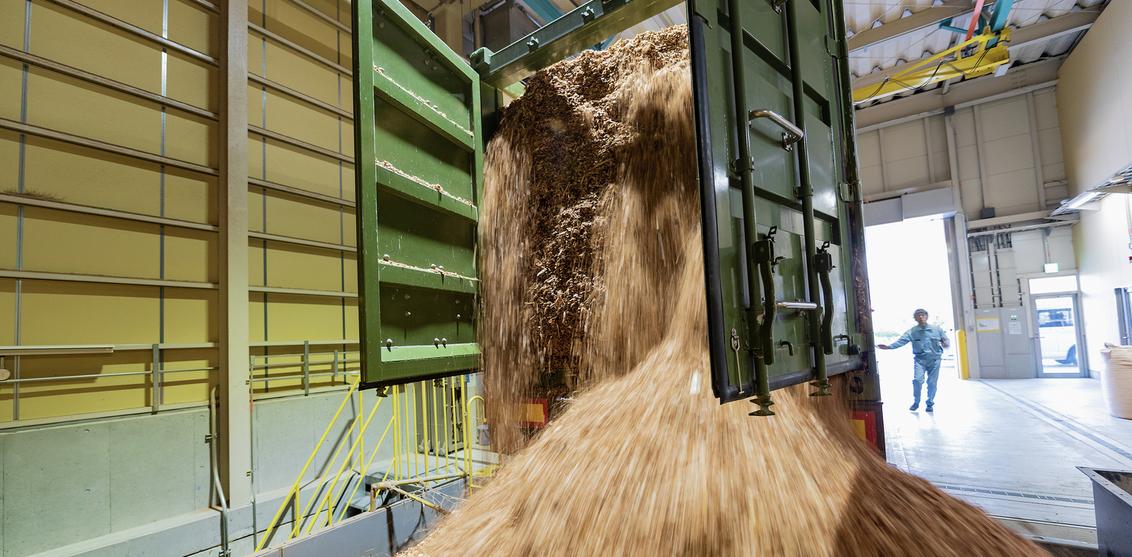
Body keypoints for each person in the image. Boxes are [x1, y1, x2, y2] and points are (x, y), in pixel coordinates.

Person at [878, 308, 950, 412]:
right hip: (920, 361)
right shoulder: (912, 332)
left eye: (923, 315)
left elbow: (945, 339)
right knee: (917, 381)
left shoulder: (937, 329)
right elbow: (901, 341)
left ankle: (930, 403)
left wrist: (946, 343)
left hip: (935, 360)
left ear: (927, 316)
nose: (921, 317)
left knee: (932, 383)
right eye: (918, 315)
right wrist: (888, 347)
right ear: (915, 318)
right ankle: (916, 402)